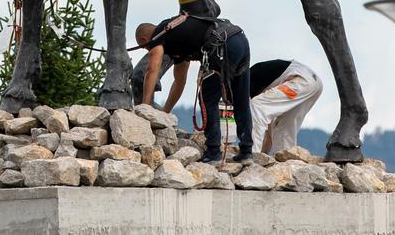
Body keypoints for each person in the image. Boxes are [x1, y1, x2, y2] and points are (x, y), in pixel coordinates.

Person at [135, 12, 252, 164]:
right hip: (239, 39)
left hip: (220, 45)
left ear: (144, 40)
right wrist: (165, 113)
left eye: (145, 48)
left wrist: (145, 107)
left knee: (208, 99)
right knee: (241, 99)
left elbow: (152, 69)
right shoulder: (177, 37)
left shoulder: (159, 35)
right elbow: (180, 82)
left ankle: (213, 152)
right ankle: (246, 153)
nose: (149, 51)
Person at [247, 59, 323, 155]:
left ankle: (251, 155)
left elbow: (258, 115)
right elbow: (268, 131)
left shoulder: (245, 84)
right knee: (284, 128)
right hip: (314, 83)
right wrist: (263, 156)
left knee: (257, 106)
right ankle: (286, 163)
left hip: (300, 80)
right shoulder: (255, 78)